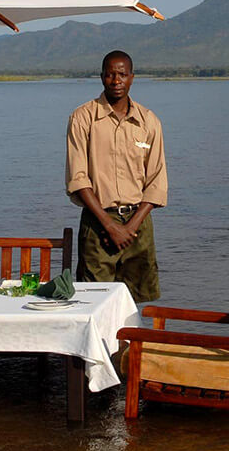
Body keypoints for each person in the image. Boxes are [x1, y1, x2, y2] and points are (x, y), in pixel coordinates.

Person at [65, 50, 167, 303]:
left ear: (132, 77)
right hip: (98, 222)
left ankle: (130, 334)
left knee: (135, 302)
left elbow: (156, 181)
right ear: (102, 77)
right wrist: (110, 226)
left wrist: (129, 228)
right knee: (93, 300)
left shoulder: (149, 121)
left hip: (138, 223)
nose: (116, 80)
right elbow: (78, 178)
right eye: (110, 75)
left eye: (122, 74)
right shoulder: (83, 118)